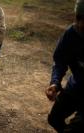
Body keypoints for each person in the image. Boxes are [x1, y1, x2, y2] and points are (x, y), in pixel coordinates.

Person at [45, 0, 84, 132]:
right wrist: (55, 83)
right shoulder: (71, 34)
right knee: (54, 119)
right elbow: (60, 61)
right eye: (79, 20)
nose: (80, 25)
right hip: (76, 86)